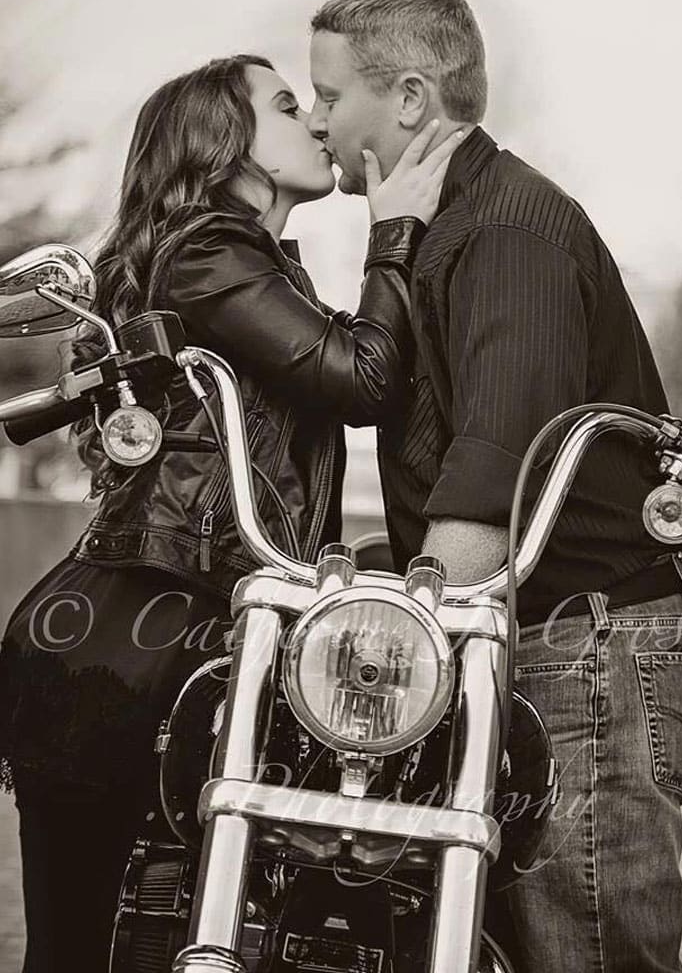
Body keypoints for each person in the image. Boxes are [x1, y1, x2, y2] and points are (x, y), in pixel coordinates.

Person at [0, 52, 461, 972]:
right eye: (290, 105)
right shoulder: (210, 248)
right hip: (147, 624)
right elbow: (361, 378)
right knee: (89, 938)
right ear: (227, 139)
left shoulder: (253, 259)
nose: (318, 123)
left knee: (188, 918)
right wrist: (399, 228)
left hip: (198, 613)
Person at [308, 0, 682, 972]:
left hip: (587, 655)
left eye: (327, 95)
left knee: (584, 953)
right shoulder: (451, 225)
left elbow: (499, 464)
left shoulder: (506, 229)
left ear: (407, 99)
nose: (316, 120)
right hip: (557, 646)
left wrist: (407, 647)